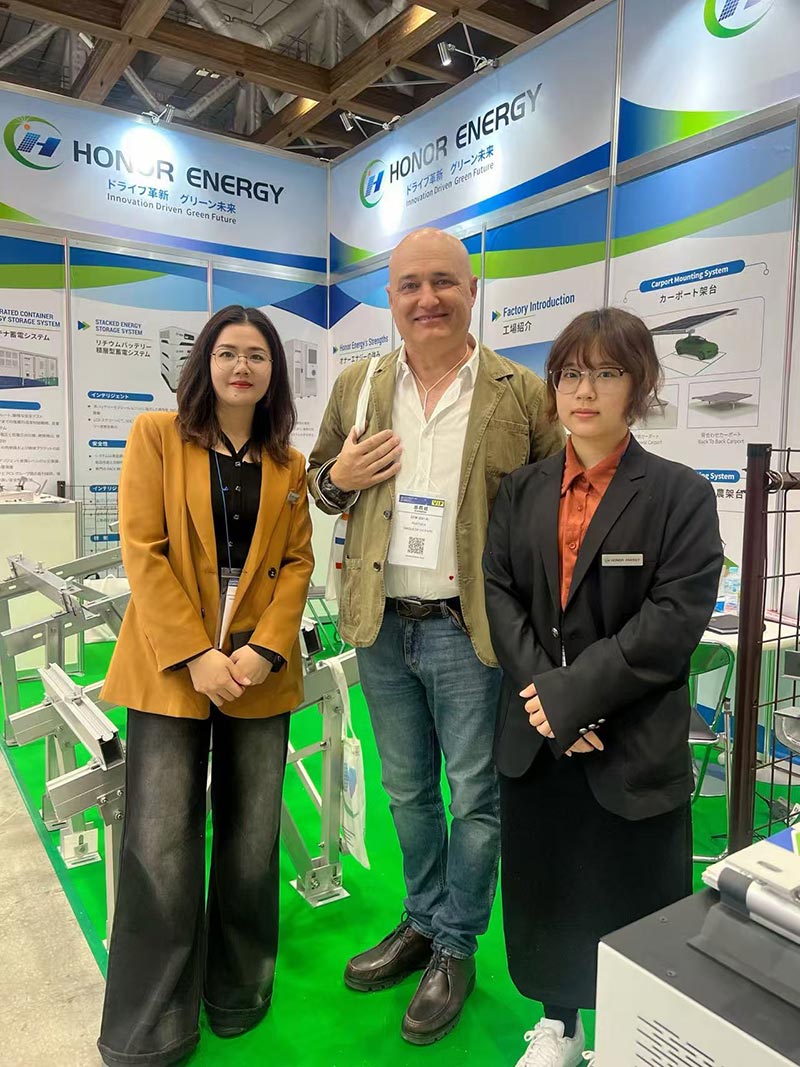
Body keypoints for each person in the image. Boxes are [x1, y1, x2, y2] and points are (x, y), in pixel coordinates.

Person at [308, 227, 565, 1045]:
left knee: (475, 798)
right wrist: (337, 478)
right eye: (411, 284)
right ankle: (420, 920)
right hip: (380, 624)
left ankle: (456, 943)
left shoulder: (521, 392)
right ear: (389, 297)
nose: (428, 299)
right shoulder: (358, 385)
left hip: (470, 632)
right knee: (407, 791)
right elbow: (317, 481)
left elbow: (558, 507)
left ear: (472, 290)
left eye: (444, 282)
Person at [482, 307, 723, 1067]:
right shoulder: (520, 490)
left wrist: (575, 699)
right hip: (539, 734)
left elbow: (673, 619)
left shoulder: (681, 494)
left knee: (634, 893)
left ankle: (631, 1032)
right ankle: (560, 1024)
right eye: (570, 373)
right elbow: (499, 595)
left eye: (606, 372)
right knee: (548, 882)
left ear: (639, 384)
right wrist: (549, 703)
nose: (584, 390)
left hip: (631, 736)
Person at [97, 305, 314, 1067]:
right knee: (160, 841)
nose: (242, 366)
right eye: (228, 352)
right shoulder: (157, 435)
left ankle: (238, 991)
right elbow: (143, 548)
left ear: (273, 372)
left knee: (252, 840)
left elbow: (297, 562)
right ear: (205, 364)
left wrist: (263, 650)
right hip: (170, 664)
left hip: (257, 670)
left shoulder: (288, 462)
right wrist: (195, 654)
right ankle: (152, 1022)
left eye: (257, 355)